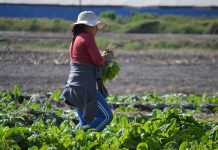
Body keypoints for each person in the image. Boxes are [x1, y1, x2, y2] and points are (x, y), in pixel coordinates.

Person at [61, 11, 113, 133]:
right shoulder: (87, 37)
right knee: (106, 117)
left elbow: (85, 60)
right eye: (94, 26)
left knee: (85, 124)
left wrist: (101, 57)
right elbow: (98, 60)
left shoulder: (75, 39)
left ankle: (76, 140)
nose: (96, 29)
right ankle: (76, 136)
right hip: (85, 86)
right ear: (88, 26)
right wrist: (106, 58)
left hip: (74, 86)